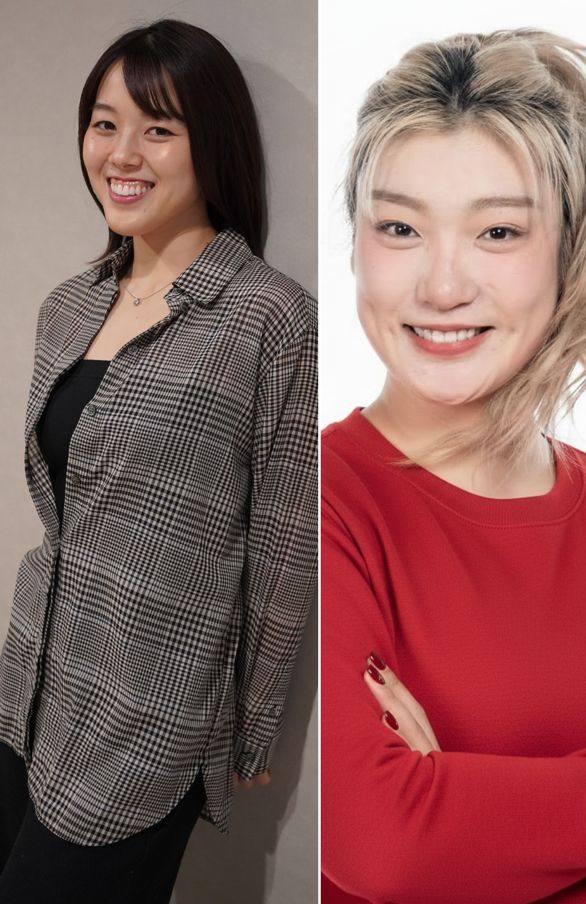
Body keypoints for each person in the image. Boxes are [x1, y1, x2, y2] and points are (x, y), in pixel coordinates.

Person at [318, 29, 586, 904]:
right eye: (399, 228)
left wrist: (469, 799)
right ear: (355, 244)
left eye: (498, 230)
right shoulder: (312, 500)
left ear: (570, 253)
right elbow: (385, 842)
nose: (442, 285)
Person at [0, 19, 316, 899]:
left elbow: (285, 547)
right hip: (30, 681)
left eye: (158, 128)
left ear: (210, 145)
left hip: (148, 713)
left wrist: (252, 727)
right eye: (104, 124)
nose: (122, 153)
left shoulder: (268, 319)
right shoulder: (69, 305)